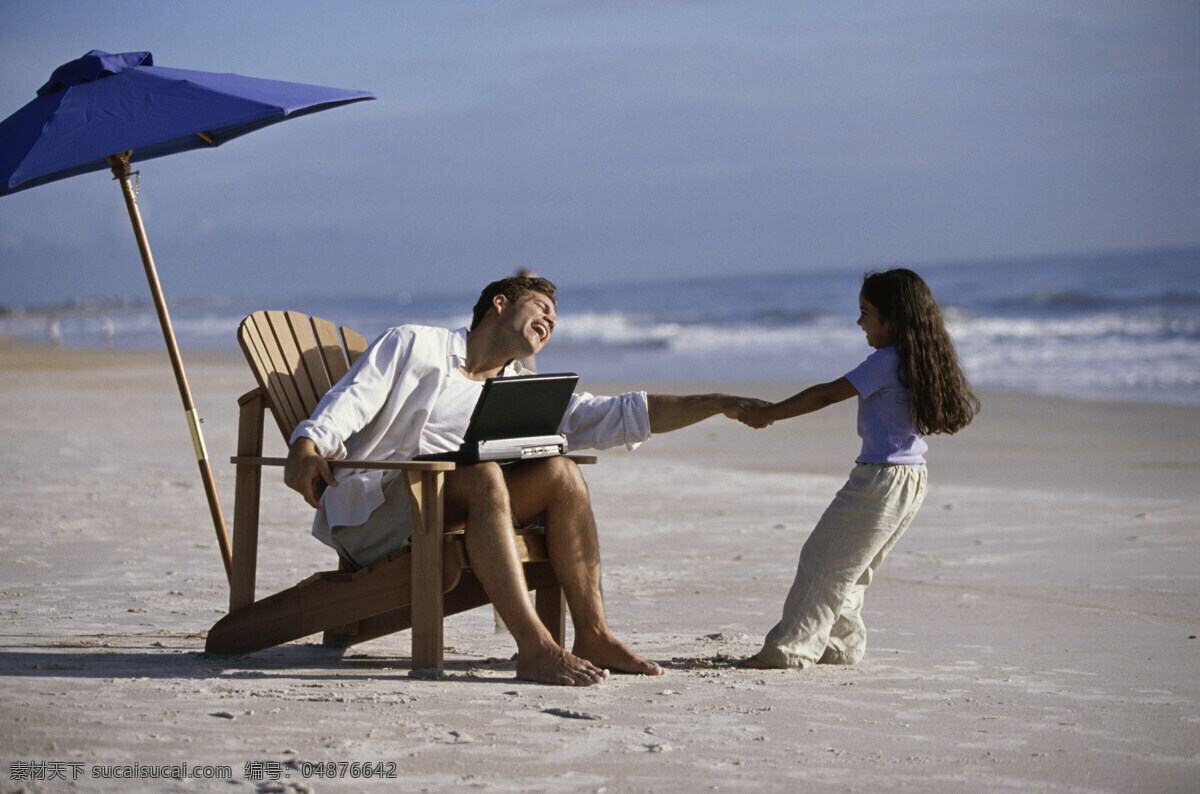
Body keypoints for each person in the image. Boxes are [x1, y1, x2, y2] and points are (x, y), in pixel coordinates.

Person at [284, 274, 765, 687]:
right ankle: (535, 647)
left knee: (562, 473)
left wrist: (715, 402)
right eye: (542, 308)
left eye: (555, 320)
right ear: (500, 303)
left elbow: (613, 414)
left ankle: (593, 633)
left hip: (454, 509)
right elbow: (353, 398)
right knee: (485, 474)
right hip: (374, 511)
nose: (551, 322)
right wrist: (308, 443)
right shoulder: (415, 343)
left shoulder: (518, 389)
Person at [736, 268, 979, 670]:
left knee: (823, 559)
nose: (859, 321)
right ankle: (839, 646)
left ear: (893, 319)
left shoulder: (886, 361)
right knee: (853, 567)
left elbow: (827, 394)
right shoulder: (917, 360)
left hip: (881, 480)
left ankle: (790, 649)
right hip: (911, 479)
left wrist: (770, 414)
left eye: (866, 312)